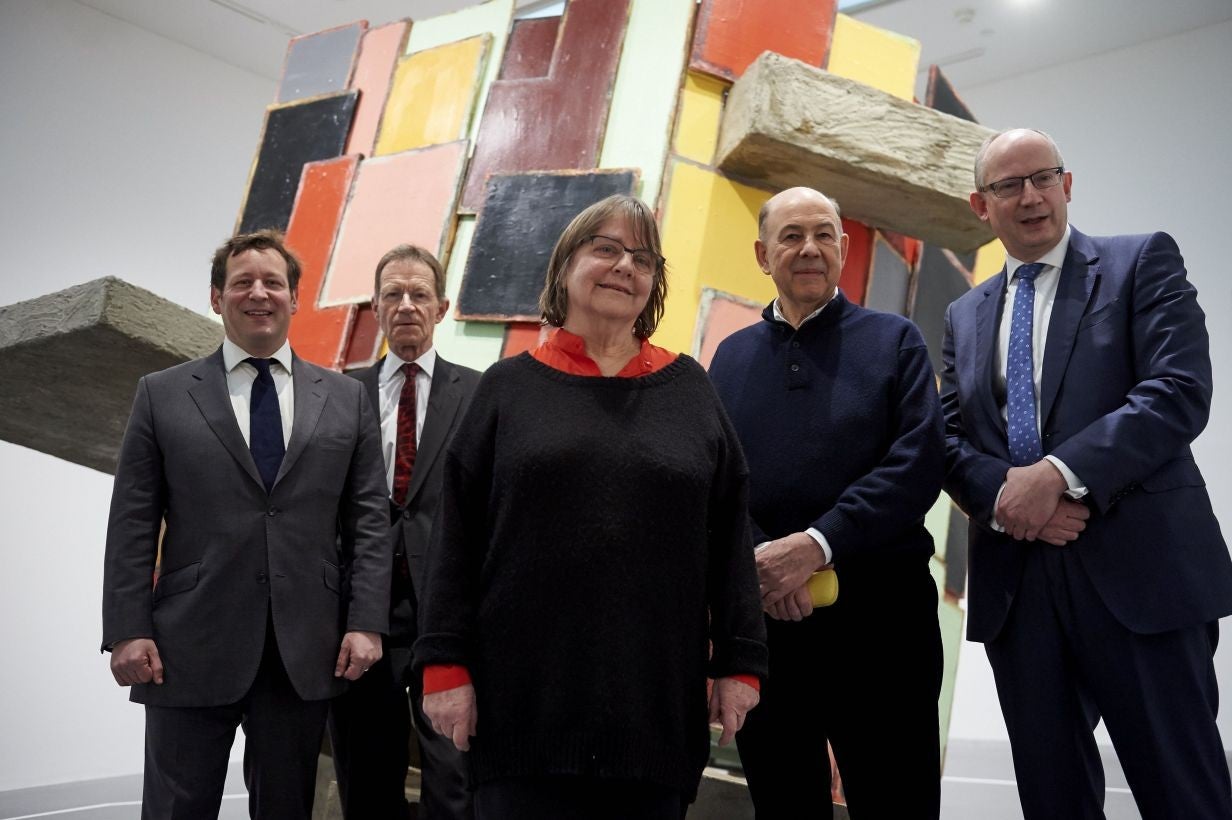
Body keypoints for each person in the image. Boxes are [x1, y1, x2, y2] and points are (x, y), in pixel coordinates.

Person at [413, 194, 768, 818]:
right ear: (565, 265)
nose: (624, 266)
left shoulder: (691, 390)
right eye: (605, 248)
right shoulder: (506, 388)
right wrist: (443, 665)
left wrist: (740, 663)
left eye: (643, 257)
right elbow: (456, 538)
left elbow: (730, 539)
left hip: (652, 716)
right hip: (521, 710)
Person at [942, 128, 1232, 819]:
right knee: (1054, 802)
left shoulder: (1140, 262)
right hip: (1022, 586)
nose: (1031, 195)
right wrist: (1015, 500)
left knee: (1182, 793)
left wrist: (1059, 475)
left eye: (1044, 177)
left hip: (1142, 577)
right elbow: (947, 438)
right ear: (981, 206)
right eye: (1009, 185)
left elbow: (1178, 390)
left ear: (1067, 185)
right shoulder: (964, 312)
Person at [101, 230, 391, 820]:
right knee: (177, 808)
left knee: (285, 808)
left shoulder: (345, 399)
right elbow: (132, 520)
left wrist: (366, 622)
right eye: (242, 282)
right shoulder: (161, 394)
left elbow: (368, 521)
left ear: (294, 298)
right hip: (185, 647)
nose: (258, 293)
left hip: (304, 648)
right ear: (216, 297)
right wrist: (126, 628)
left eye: (273, 283)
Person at [709, 187, 946, 818]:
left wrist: (814, 546)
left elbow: (917, 464)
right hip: (769, 626)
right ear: (763, 255)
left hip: (884, 627)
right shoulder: (729, 359)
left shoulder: (895, 341)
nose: (808, 248)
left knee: (898, 800)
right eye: (791, 236)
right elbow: (716, 482)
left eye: (823, 235)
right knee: (783, 803)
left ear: (842, 249)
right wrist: (766, 559)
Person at [327, 245, 480, 819]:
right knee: (365, 782)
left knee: (454, 782)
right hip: (360, 618)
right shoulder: (339, 393)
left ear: (441, 308)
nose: (406, 305)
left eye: (419, 294)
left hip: (448, 616)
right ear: (376, 306)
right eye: (393, 293)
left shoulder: (482, 392)